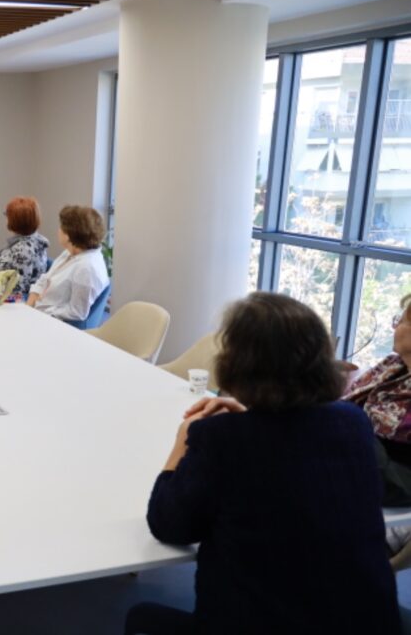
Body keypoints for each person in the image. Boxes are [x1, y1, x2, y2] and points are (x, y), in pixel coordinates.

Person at [126, 292, 399, 635]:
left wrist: (182, 443)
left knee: (140, 618)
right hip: (366, 624)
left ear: (237, 364)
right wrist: (250, 419)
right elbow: (289, 456)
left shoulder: (221, 439)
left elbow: (169, 525)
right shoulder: (353, 423)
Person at [345, 293, 411, 508]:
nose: (395, 328)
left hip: (399, 482)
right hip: (364, 464)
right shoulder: (393, 366)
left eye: (399, 321)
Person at [26, 205, 108, 322]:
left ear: (69, 235)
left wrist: (40, 312)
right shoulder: (70, 251)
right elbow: (45, 278)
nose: (58, 230)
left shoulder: (86, 268)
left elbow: (77, 312)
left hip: (51, 322)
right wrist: (29, 306)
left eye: (61, 227)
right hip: (37, 311)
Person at [0, 196, 50, 301]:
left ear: (16, 221)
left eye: (7, 215)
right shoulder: (32, 240)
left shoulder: (24, 250)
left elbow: (17, 290)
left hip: (12, 303)